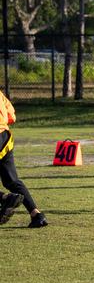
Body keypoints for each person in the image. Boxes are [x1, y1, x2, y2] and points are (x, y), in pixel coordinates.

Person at [0, 90, 47, 228]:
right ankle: (36, 215)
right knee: (12, 181)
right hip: (5, 137)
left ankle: (6, 198)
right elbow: (11, 116)